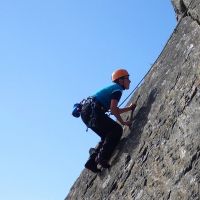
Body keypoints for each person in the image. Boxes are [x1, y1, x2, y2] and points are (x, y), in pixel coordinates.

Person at [80, 69, 136, 172]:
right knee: (116, 130)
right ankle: (101, 157)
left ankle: (92, 162)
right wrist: (123, 123)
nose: (130, 81)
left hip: (86, 113)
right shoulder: (118, 89)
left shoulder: (114, 88)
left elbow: (114, 109)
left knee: (106, 136)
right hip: (94, 111)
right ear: (120, 80)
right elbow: (114, 109)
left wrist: (129, 108)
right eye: (127, 78)